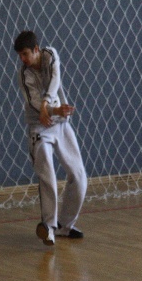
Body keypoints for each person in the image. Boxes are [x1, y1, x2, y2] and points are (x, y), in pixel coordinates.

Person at [14, 31, 87, 246]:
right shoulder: (24, 75)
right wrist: (50, 108)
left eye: (25, 54)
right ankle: (48, 227)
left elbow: (55, 80)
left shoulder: (50, 55)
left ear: (36, 49)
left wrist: (49, 105)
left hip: (61, 124)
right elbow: (35, 105)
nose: (22, 59)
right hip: (39, 129)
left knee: (79, 176)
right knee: (48, 177)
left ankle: (65, 225)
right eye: (20, 55)